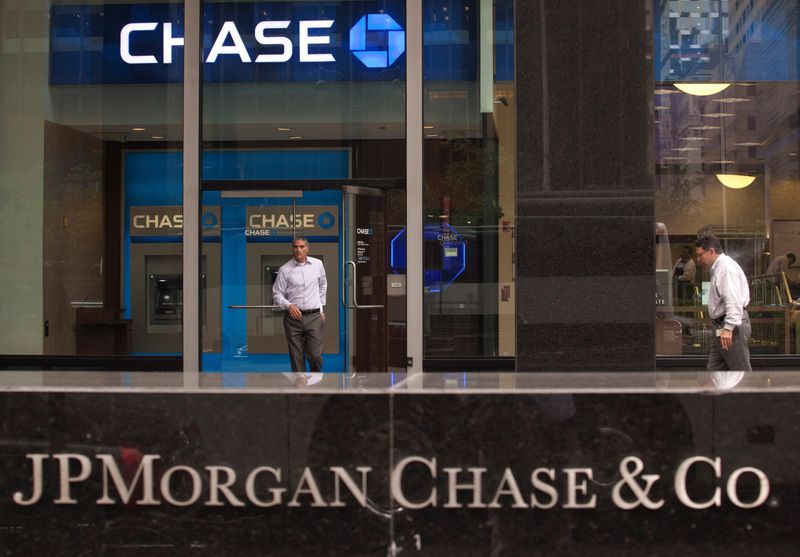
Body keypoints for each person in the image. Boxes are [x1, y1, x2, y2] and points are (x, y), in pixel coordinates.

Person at [272, 236, 327, 384]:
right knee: (297, 356)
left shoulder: (318, 265)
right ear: (292, 248)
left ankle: (316, 380)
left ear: (307, 248)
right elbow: (277, 293)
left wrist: (321, 308)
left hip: (314, 316)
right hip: (293, 319)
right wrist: (289, 306)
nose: (298, 250)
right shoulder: (285, 270)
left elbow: (322, 286)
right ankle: (301, 388)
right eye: (296, 247)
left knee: (315, 355)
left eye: (302, 247)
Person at [694, 235, 751, 372]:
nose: (698, 260)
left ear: (711, 251)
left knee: (741, 374)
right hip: (722, 327)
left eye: (700, 255)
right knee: (714, 376)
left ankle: (752, 394)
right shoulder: (720, 268)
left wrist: (728, 328)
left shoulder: (725, 268)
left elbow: (733, 300)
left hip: (730, 327)